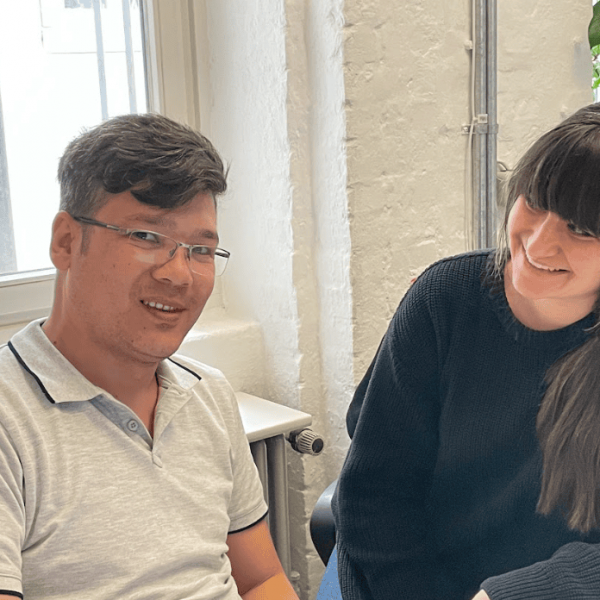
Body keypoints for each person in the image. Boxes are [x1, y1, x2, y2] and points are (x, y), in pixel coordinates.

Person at [0, 113, 299, 600]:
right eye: (145, 237)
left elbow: (260, 580)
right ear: (66, 242)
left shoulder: (207, 393)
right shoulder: (10, 416)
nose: (178, 275)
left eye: (200, 250)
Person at [332, 102, 600, 600]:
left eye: (581, 229)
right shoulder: (445, 298)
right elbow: (376, 492)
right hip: (410, 579)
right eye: (535, 201)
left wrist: (514, 593)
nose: (538, 243)